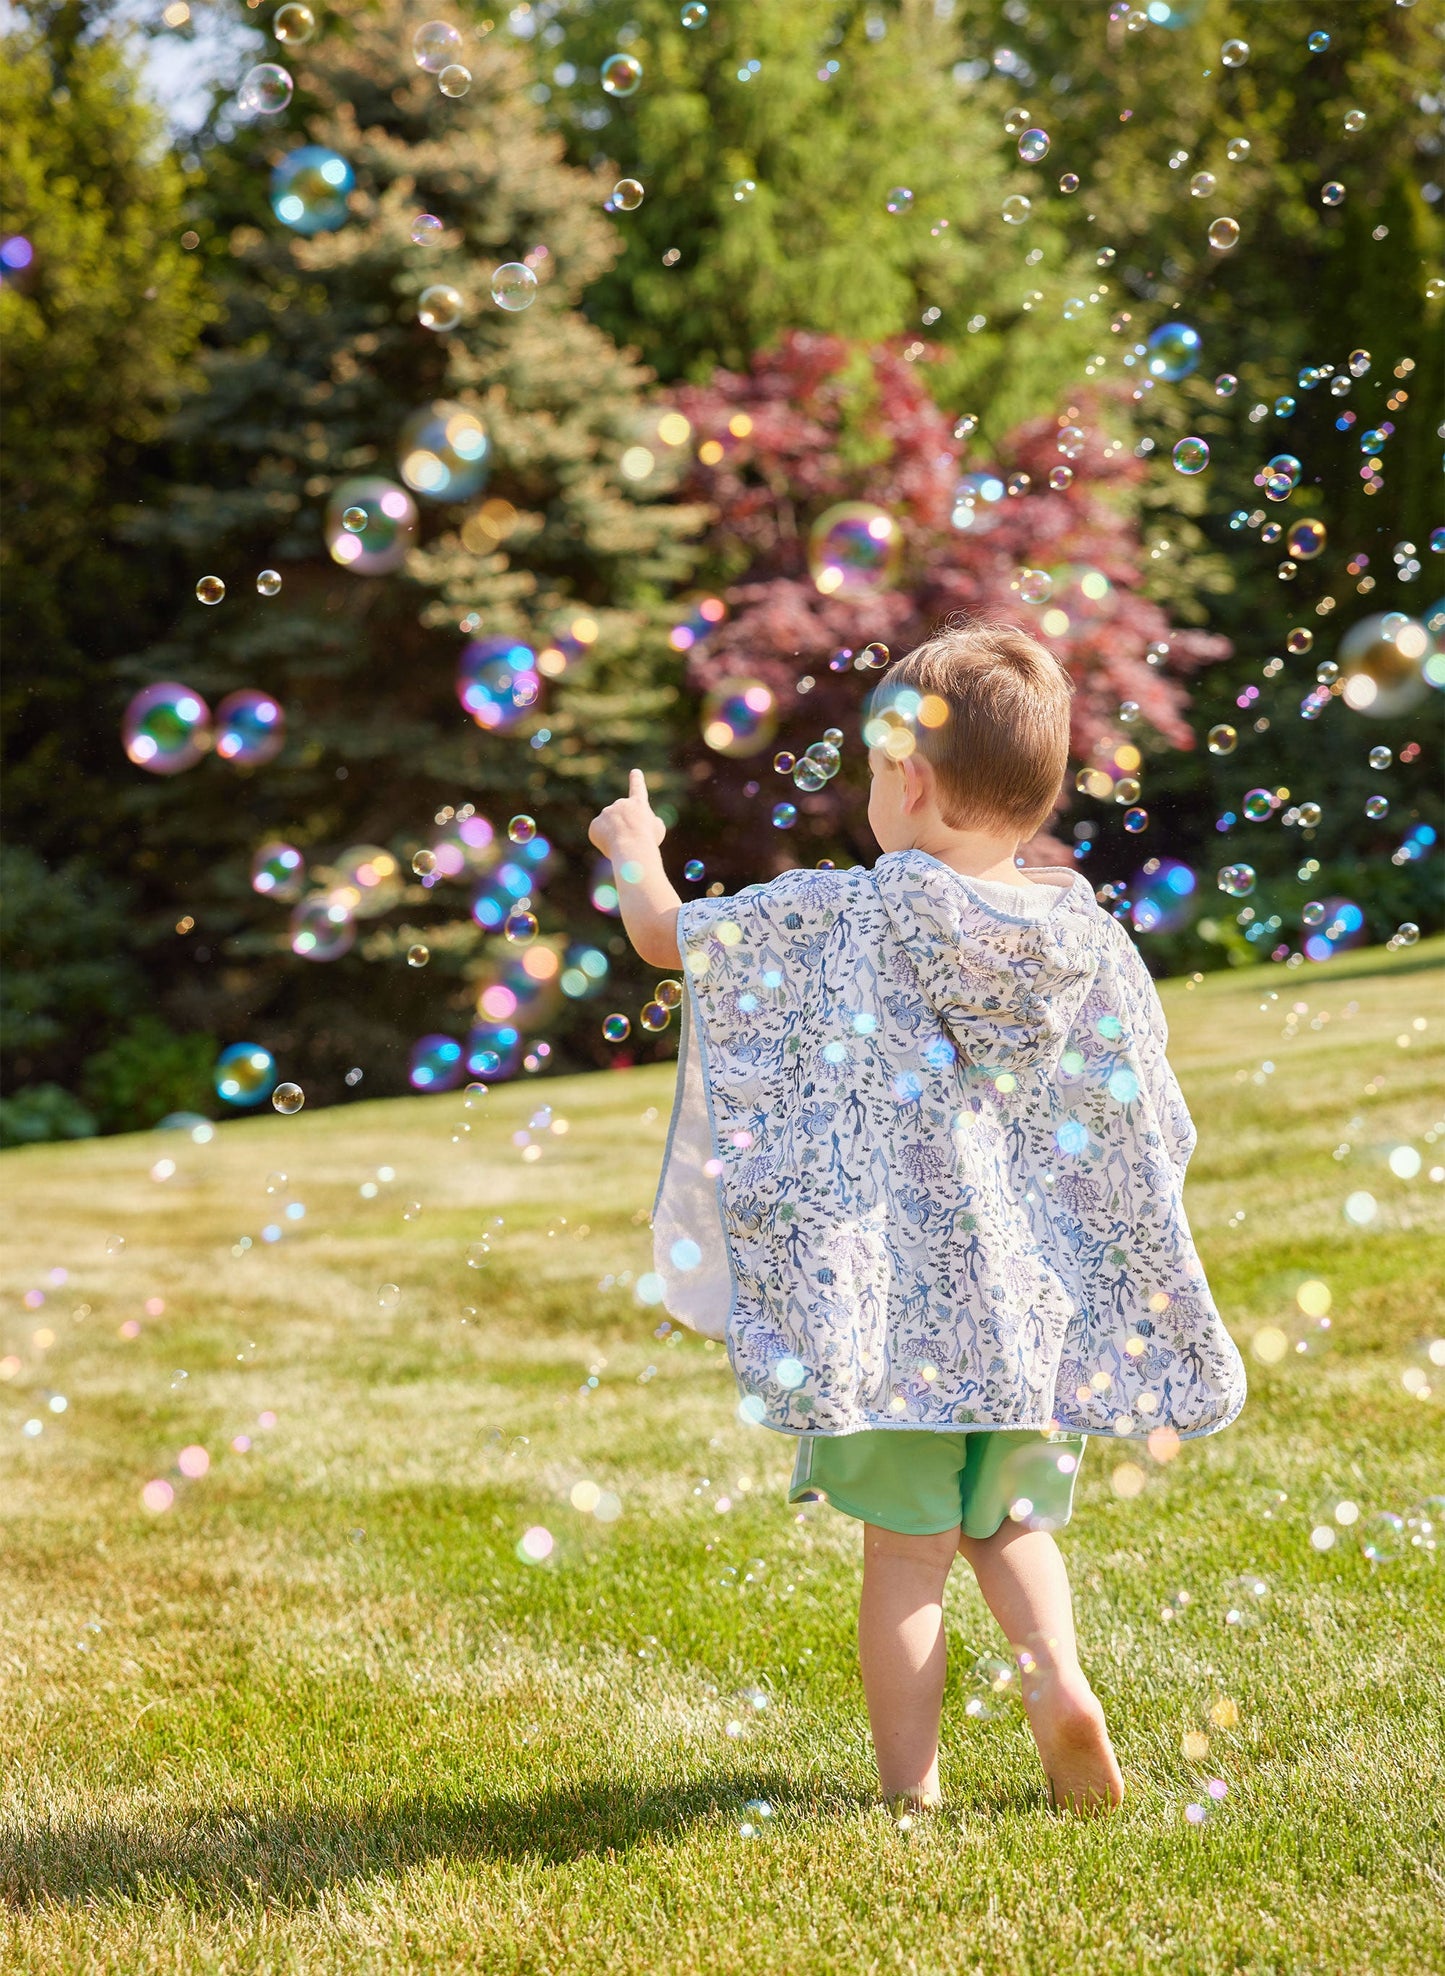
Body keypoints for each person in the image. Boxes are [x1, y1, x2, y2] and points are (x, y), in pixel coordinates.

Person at [587, 619, 1246, 1818]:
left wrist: (634, 846)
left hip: (897, 1322)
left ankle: (912, 1794)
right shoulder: (1080, 934)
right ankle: (1059, 1690)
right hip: (1032, 1316)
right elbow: (1143, 1107)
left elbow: (661, 939)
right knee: (1009, 1528)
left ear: (910, 778)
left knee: (905, 1556)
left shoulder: (841, 912)